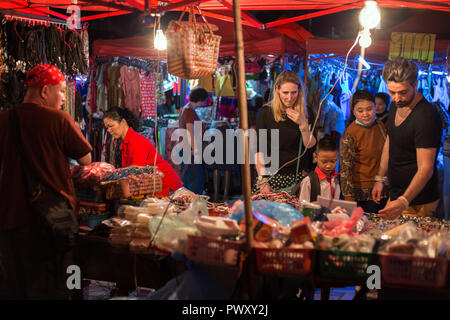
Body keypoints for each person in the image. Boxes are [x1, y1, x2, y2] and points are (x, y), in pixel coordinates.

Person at [0, 64, 93, 299]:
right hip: (51, 219)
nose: (63, 98)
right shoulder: (57, 119)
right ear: (44, 91)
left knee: (16, 286)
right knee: (55, 287)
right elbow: (85, 157)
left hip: (10, 219)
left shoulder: (4, 120)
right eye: (61, 91)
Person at [372, 57, 443, 219]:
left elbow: (426, 168)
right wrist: (380, 178)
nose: (397, 98)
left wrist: (404, 200)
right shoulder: (395, 105)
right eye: (392, 92)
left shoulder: (426, 116)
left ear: (415, 85)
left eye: (403, 92)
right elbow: (391, 142)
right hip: (398, 196)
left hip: (418, 202)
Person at [254, 70, 316, 193]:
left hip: (298, 177)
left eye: (294, 92)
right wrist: (262, 180)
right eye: (285, 93)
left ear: (300, 91)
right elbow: (259, 150)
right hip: (271, 177)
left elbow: (309, 145)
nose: (289, 97)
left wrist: (303, 124)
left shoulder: (306, 111)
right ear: (277, 90)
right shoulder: (266, 112)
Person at [103, 107, 183, 196]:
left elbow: (137, 170)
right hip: (154, 186)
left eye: (111, 126)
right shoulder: (124, 143)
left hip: (167, 186)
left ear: (123, 122)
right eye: (107, 127)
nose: (109, 130)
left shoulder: (137, 141)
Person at [340, 90, 387, 213]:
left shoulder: (380, 125)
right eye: (360, 111)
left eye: (369, 109)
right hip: (362, 196)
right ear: (354, 112)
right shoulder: (350, 134)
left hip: (382, 190)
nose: (365, 114)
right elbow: (345, 169)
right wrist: (349, 200)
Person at [177, 87, 209, 194]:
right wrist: (195, 151)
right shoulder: (189, 111)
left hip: (184, 148)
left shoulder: (185, 109)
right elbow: (190, 131)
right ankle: (194, 205)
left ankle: (188, 205)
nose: (204, 103)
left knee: (188, 179)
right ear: (200, 100)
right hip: (189, 149)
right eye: (204, 100)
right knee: (197, 179)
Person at [298, 136, 341, 203]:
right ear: (315, 157)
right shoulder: (308, 181)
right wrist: (311, 206)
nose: (328, 166)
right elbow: (302, 208)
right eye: (324, 161)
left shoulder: (336, 179)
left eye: (333, 161)